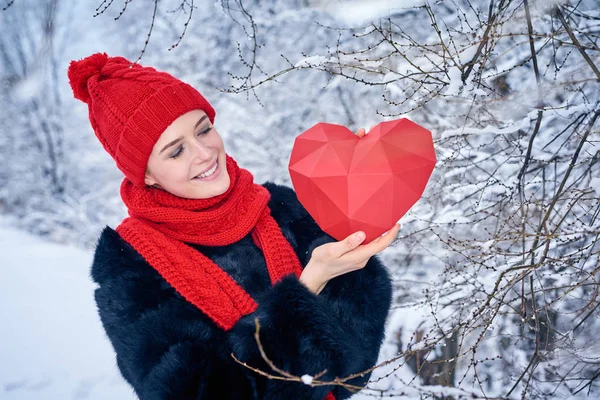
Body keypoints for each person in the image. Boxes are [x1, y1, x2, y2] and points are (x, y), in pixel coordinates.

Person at [68, 52, 398, 400]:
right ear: (146, 174)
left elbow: (354, 372)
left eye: (204, 130)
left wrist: (353, 205)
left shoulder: (279, 206)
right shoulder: (129, 267)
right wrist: (306, 290)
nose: (204, 153)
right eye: (176, 151)